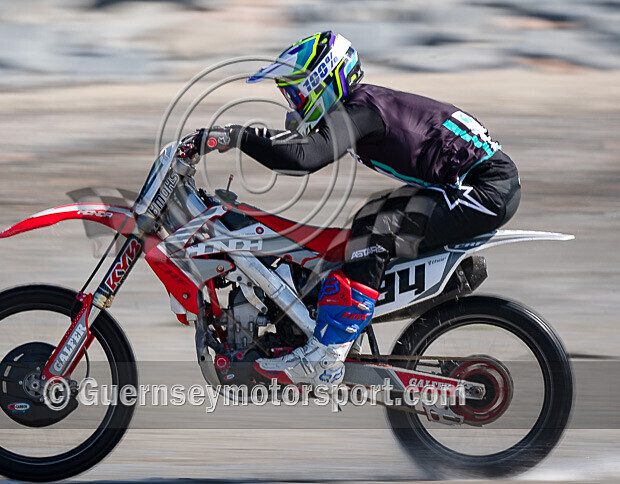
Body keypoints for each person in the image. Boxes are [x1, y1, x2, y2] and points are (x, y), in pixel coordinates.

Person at [184, 31, 521, 386]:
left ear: (323, 81)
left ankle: (327, 355)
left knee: (378, 229)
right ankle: (322, 316)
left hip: (485, 187)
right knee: (368, 217)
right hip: (477, 182)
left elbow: (305, 158)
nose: (294, 102)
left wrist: (236, 136)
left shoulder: (360, 110)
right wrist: (239, 137)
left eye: (296, 92)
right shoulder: (364, 104)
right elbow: (303, 143)